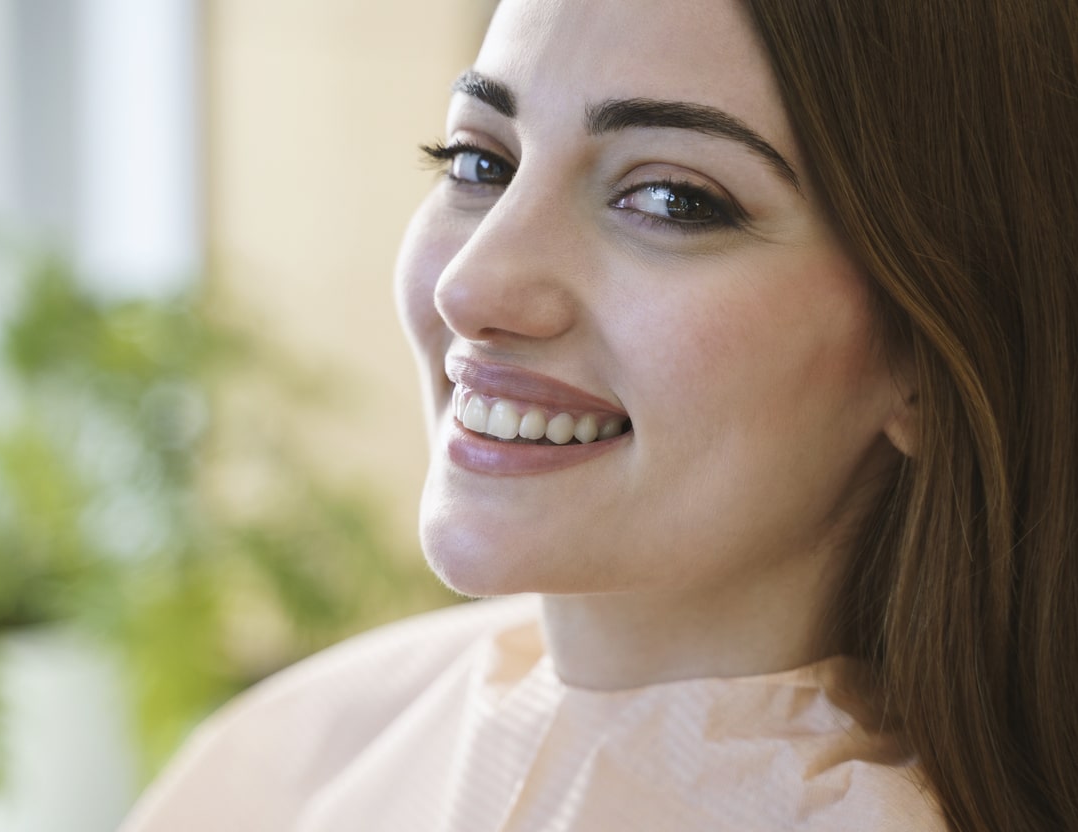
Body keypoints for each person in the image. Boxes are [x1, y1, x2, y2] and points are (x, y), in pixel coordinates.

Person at [121, 0, 1078, 829]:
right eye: (477, 161)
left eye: (669, 199)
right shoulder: (304, 749)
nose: (472, 284)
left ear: (924, 348)